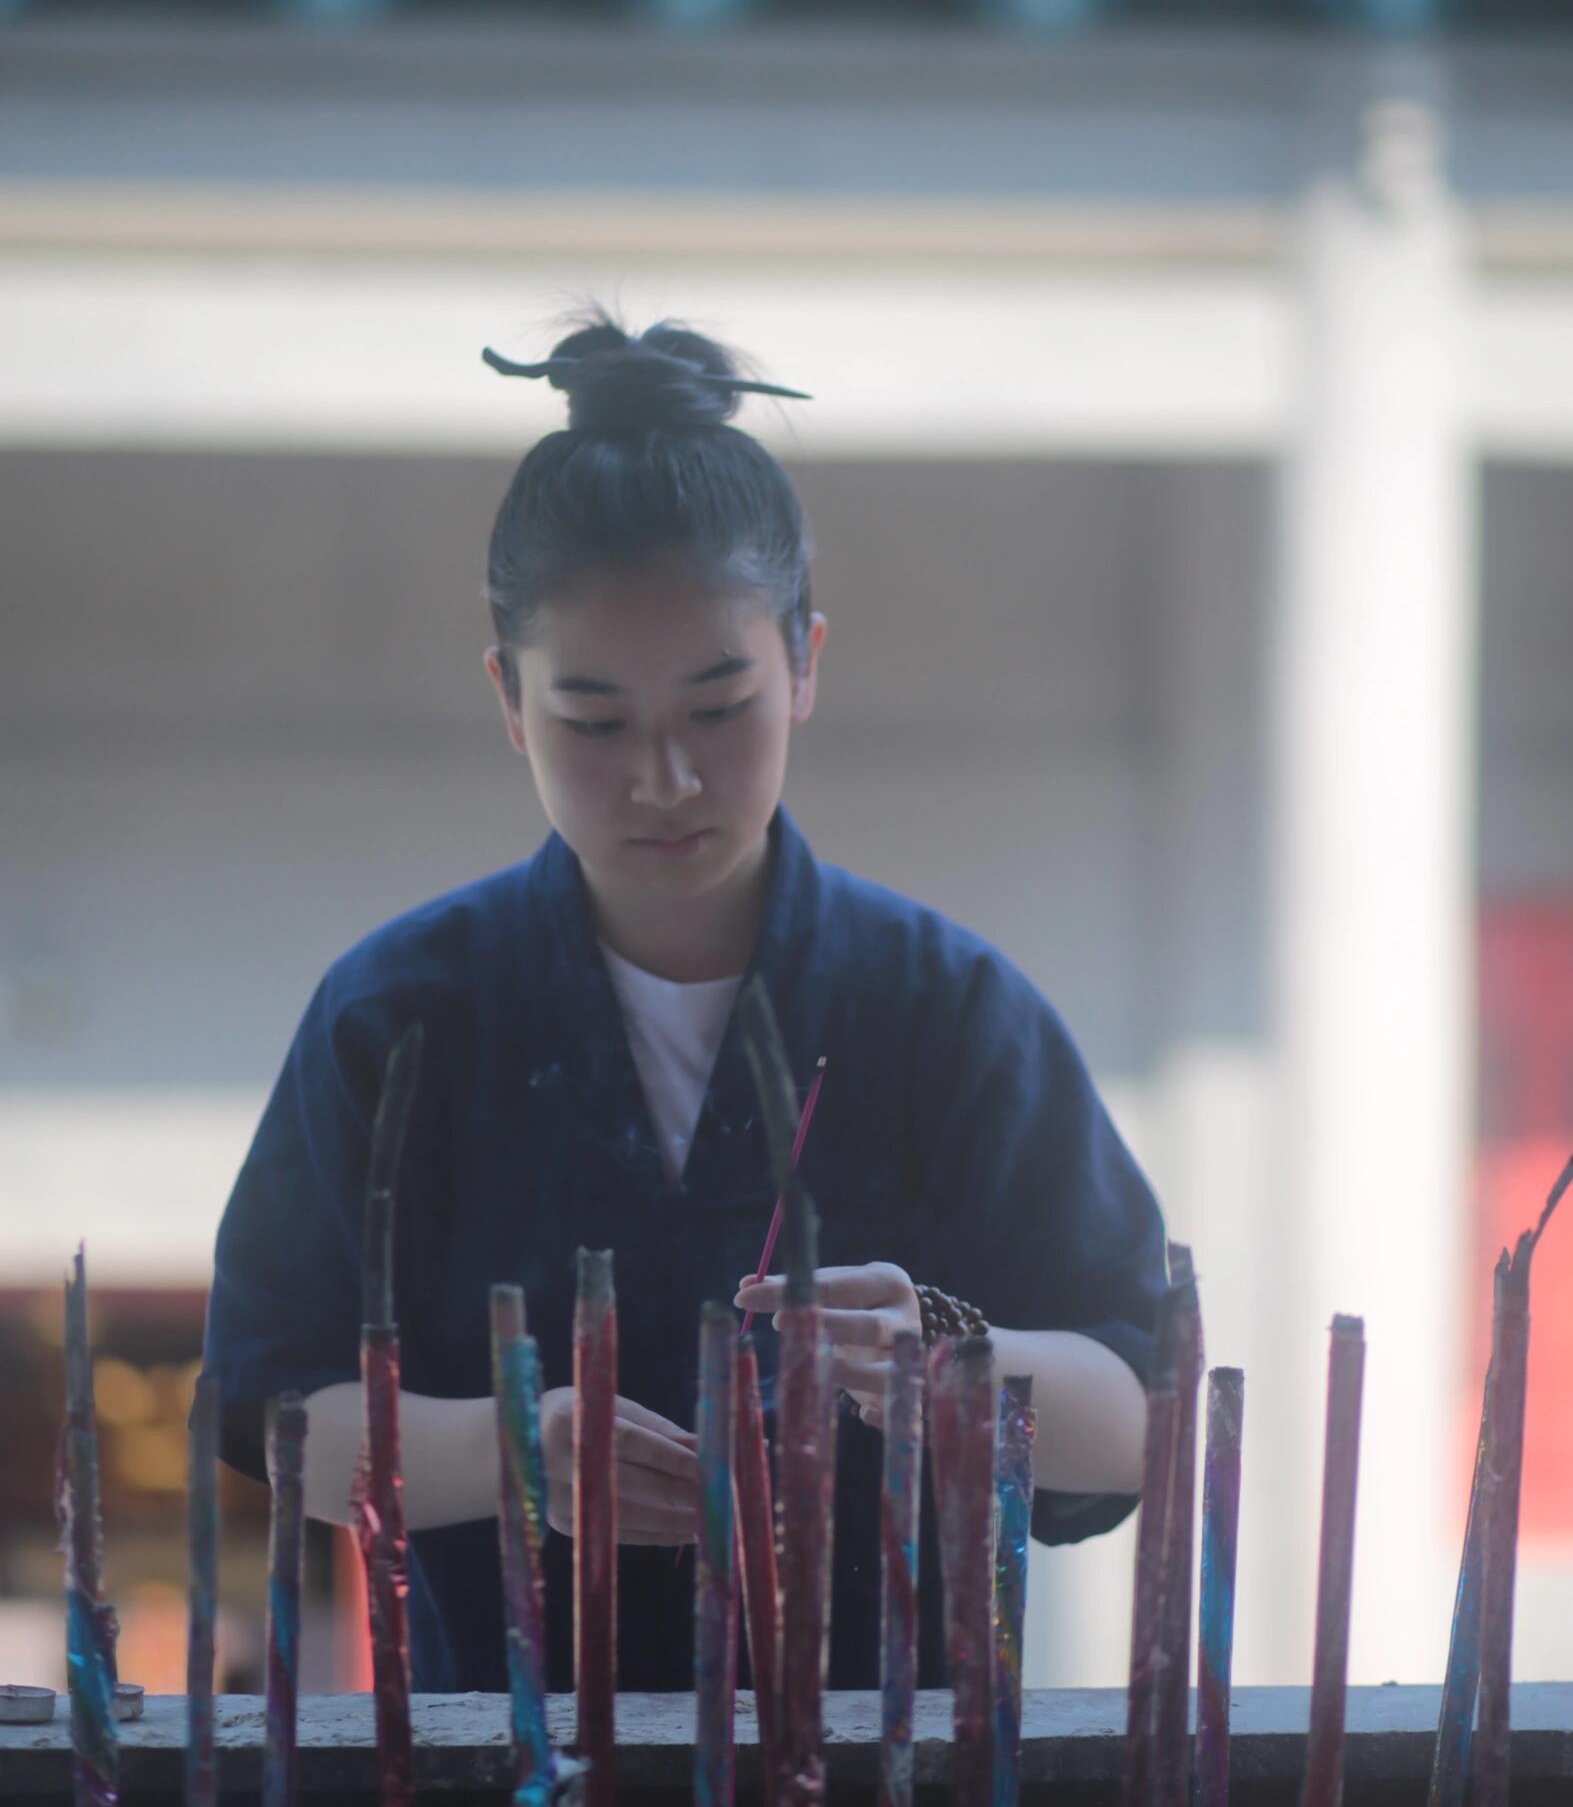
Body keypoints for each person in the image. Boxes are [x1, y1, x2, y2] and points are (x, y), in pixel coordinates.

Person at [204, 308, 1169, 1693]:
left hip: (888, 1803)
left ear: (807, 663)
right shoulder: (401, 1016)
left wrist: (949, 1361)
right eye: (592, 721)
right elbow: (269, 1407)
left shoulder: (945, 1008)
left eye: (719, 707)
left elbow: (1138, 1407)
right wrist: (516, 1455)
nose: (661, 779)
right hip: (503, 1793)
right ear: (506, 700)